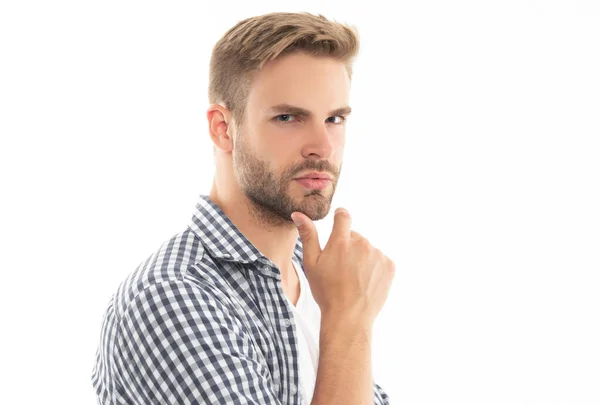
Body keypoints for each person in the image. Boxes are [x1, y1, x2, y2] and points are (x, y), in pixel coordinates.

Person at [92, 11, 395, 405]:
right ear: (223, 128)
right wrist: (349, 323)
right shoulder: (174, 298)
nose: (323, 146)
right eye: (288, 117)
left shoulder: (321, 278)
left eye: (335, 118)